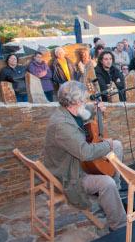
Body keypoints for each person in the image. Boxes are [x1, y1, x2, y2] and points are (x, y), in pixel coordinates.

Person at [43, 80, 126, 231]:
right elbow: (85, 153)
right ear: (76, 101)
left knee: (118, 146)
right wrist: (108, 144)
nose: (85, 101)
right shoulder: (62, 124)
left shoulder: (70, 109)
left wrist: (95, 107)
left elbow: (85, 112)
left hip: (76, 162)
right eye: (84, 99)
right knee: (106, 183)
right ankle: (119, 225)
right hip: (70, 174)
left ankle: (114, 195)